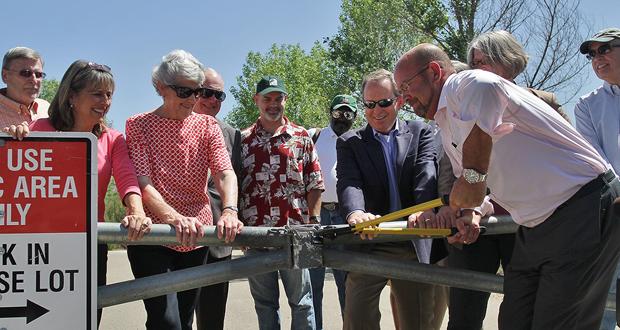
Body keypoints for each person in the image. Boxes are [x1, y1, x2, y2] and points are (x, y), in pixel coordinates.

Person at [394, 43, 620, 329]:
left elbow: (486, 88)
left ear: (435, 71)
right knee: (515, 320)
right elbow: (481, 188)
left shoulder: (465, 83)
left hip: (582, 208)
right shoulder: (446, 121)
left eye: (406, 86)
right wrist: (469, 213)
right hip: (536, 224)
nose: (405, 99)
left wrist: (473, 176)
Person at [3, 60, 152, 327]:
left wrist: (136, 210)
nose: (105, 101)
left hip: (90, 243)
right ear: (72, 95)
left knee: (86, 320)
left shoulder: (113, 138)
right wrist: (15, 142)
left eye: (109, 95)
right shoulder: (40, 130)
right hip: (40, 246)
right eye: (97, 93)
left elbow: (127, 178)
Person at [125, 50, 243, 330]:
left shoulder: (207, 126)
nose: (192, 99)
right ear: (160, 88)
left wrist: (229, 210)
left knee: (185, 317)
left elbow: (225, 172)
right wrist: (174, 218)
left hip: (196, 236)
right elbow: (143, 182)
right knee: (166, 321)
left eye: (196, 92)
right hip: (153, 235)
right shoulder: (138, 125)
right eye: (183, 91)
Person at [336, 69, 438, 330]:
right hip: (370, 242)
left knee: (417, 323)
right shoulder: (350, 142)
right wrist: (355, 212)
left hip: (412, 240)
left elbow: (426, 171)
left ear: (399, 101)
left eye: (384, 102)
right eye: (369, 104)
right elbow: (349, 182)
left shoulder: (421, 132)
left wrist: (424, 209)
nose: (376, 110)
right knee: (357, 320)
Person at [240, 75, 322, 330]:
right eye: (267, 99)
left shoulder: (301, 137)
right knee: (265, 304)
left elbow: (315, 182)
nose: (273, 104)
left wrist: (314, 223)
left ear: (285, 100)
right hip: (256, 236)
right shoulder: (243, 141)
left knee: (302, 302)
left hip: (297, 234)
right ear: (257, 101)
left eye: (278, 98)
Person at [574, 27, 620, 330]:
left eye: (605, 49)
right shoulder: (587, 105)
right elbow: (597, 163)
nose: (597, 58)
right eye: (592, 54)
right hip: (612, 220)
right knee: (600, 313)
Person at [193, 67, 241, 330]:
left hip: (220, 239)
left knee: (212, 319)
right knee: (174, 318)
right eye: (207, 93)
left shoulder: (232, 135)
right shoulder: (172, 126)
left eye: (219, 96)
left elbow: (236, 182)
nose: (213, 100)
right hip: (181, 237)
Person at [307, 94, 356, 329]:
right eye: (338, 112)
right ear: (330, 113)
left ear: (354, 117)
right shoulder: (313, 135)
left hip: (344, 216)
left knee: (346, 281)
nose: (342, 118)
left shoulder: (358, 140)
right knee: (313, 282)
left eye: (348, 114)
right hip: (316, 216)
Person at [467, 30, 571, 123]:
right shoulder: (467, 106)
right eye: (475, 63)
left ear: (506, 59)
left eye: (485, 61)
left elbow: (572, 142)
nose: (479, 68)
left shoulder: (545, 100)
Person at [0, 47, 49, 127]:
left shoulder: (46, 108)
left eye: (38, 74)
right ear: (5, 76)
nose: (34, 80)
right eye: (26, 73)